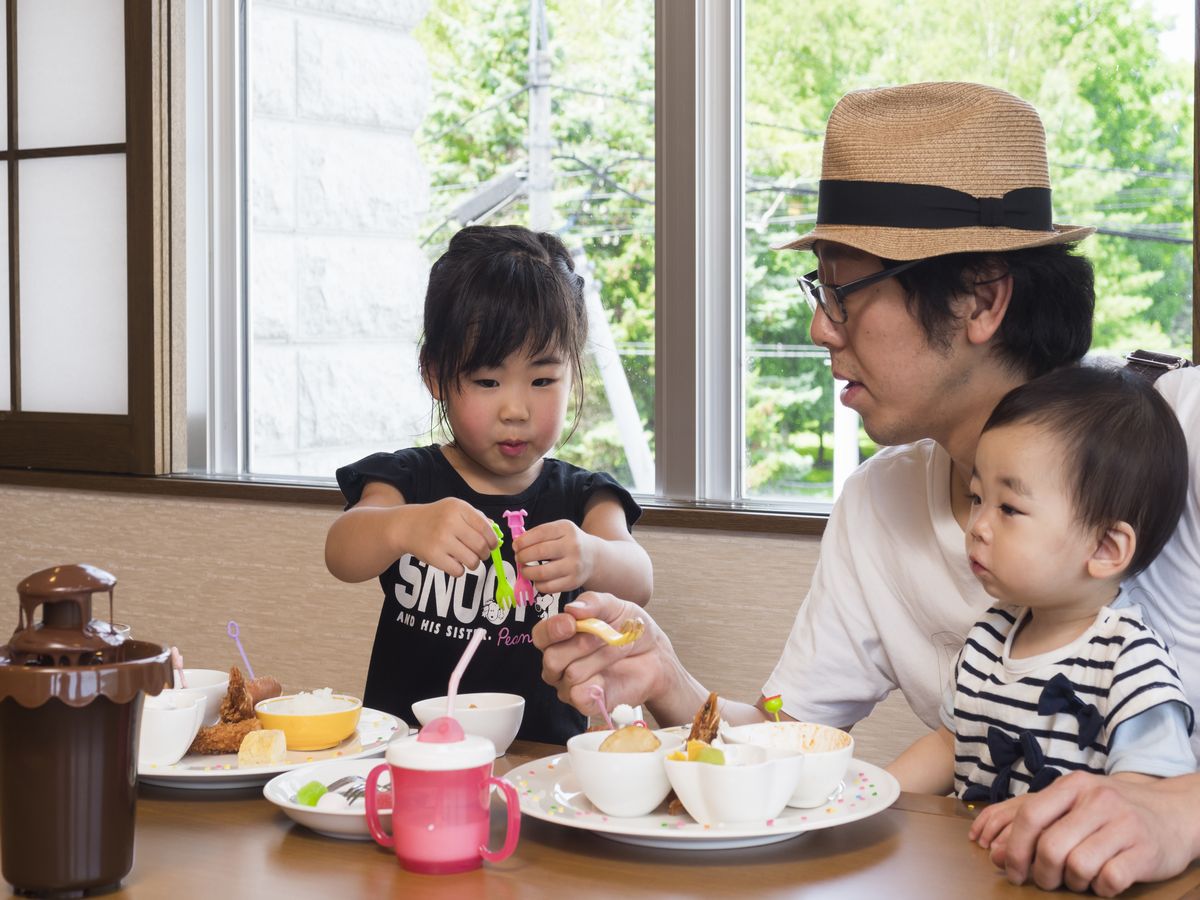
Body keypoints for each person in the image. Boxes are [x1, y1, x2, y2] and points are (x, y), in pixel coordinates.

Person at [532, 81, 1200, 894]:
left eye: (842, 289)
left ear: (982, 297)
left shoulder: (1180, 433)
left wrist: (1177, 808)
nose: (820, 327)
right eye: (820, 290)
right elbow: (792, 738)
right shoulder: (878, 503)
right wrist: (666, 676)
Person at [327, 224, 653, 745]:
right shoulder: (407, 480)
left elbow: (640, 578)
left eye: (543, 380)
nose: (516, 410)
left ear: (572, 372)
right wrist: (404, 527)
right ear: (434, 374)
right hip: (408, 756)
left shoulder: (584, 496)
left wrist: (591, 556)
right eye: (487, 381)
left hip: (542, 760)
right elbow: (341, 551)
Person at [886, 366, 1194, 801]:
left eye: (1009, 508)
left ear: (1105, 547)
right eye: (978, 498)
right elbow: (946, 746)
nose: (978, 526)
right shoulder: (987, 639)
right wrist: (871, 796)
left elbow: (1147, 798)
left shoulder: (1127, 660)